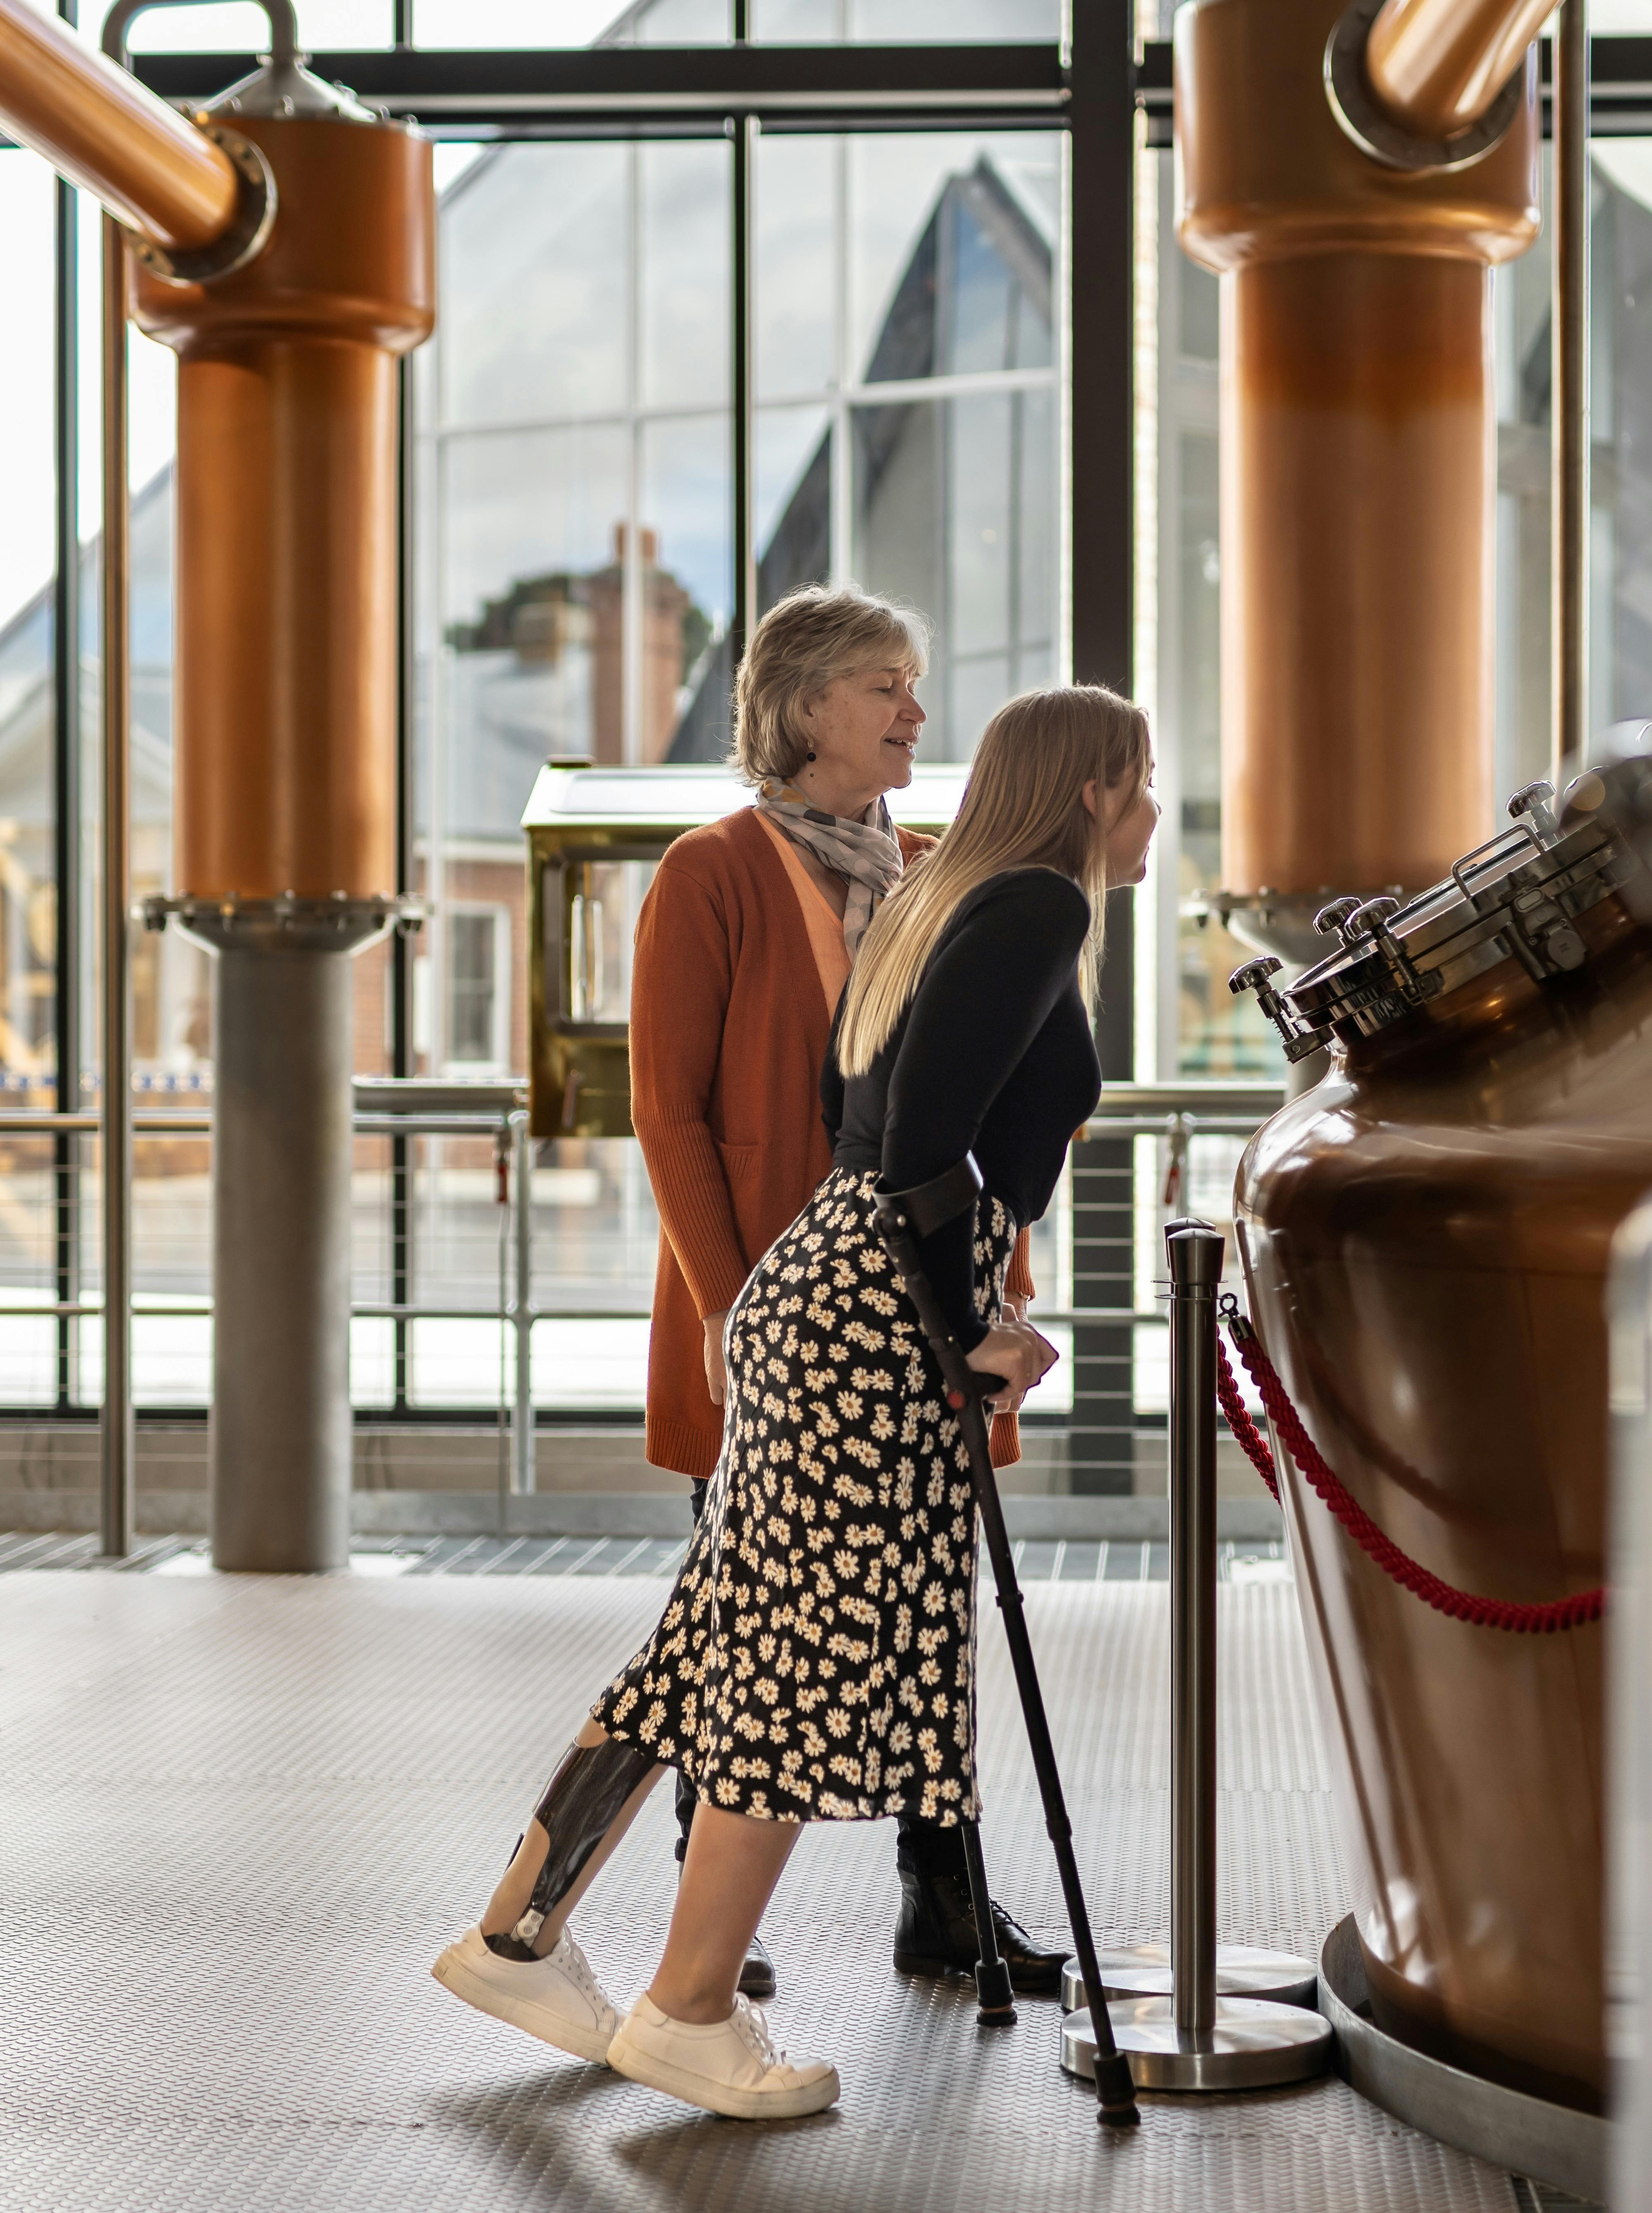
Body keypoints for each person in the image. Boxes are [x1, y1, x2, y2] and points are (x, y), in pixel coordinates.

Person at [431, 685, 1158, 2120]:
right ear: (1087, 790)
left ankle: (518, 1936)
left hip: (813, 1289)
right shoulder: (1031, 907)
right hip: (872, 1322)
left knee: (716, 1635)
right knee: (797, 1655)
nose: (1152, 812)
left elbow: (860, 1128)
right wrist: (977, 1328)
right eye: (1140, 783)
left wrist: (963, 1308)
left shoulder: (934, 894)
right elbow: (926, 1151)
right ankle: (691, 2011)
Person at [616, 585, 1058, 2003]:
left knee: (937, 1596)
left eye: (913, 685)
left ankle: (946, 1899)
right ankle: (712, 1926)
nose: (915, 712)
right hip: (772, 1302)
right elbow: (668, 1112)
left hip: (923, 1306)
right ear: (805, 705)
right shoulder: (711, 872)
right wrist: (725, 1304)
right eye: (885, 684)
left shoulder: (938, 871)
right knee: (741, 1614)